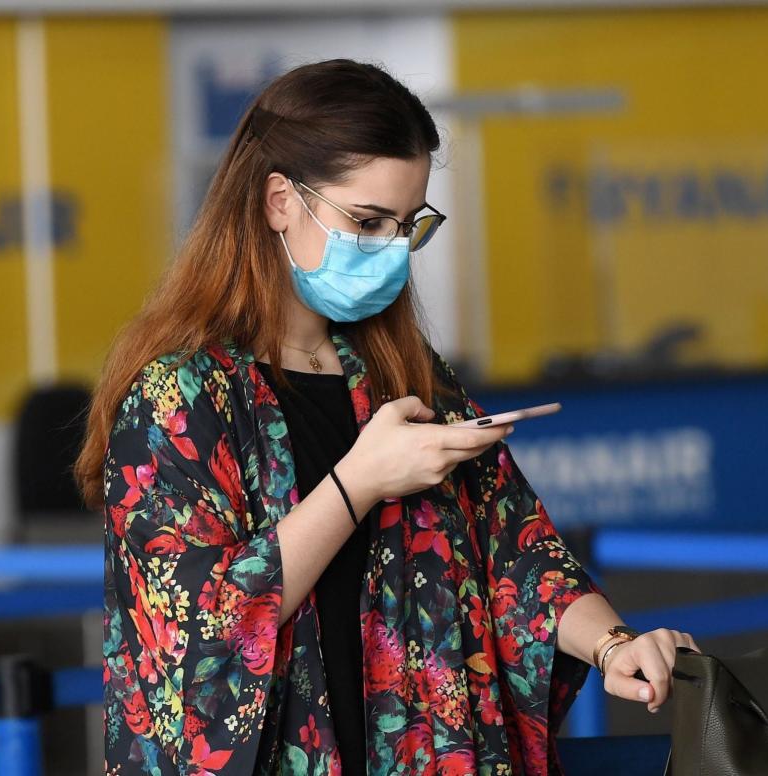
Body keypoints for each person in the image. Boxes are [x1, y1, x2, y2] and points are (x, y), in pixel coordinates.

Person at [75, 58, 701, 776]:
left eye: (409, 226)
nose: (390, 251)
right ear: (280, 199)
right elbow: (196, 623)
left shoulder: (406, 375)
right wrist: (359, 482)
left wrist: (616, 645)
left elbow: (518, 554)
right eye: (366, 221)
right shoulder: (179, 398)